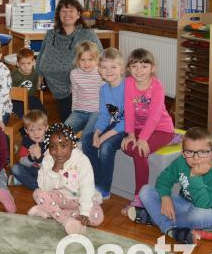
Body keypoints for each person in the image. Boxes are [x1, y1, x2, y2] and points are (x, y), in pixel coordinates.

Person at [131, 127, 212, 245]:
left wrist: (195, 177)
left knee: (197, 215)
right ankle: (171, 228)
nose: (196, 158)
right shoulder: (182, 162)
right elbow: (163, 179)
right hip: (184, 204)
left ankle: (157, 220)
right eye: (190, 152)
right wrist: (165, 198)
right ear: (183, 153)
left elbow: (203, 204)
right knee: (145, 191)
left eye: (203, 152)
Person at [120, 48, 176, 214]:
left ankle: (139, 199)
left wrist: (143, 139)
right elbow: (129, 110)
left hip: (161, 128)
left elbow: (154, 116)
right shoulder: (128, 83)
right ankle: (138, 140)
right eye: (135, 66)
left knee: (139, 151)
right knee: (127, 146)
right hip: (138, 128)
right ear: (129, 68)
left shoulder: (157, 87)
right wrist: (130, 134)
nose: (139, 71)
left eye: (144, 66)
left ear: (153, 68)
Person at [28, 123, 104, 235]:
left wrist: (84, 212)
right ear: (49, 146)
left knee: (98, 217)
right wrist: (54, 171)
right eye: (53, 147)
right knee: (38, 193)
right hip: (60, 197)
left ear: (73, 145)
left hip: (79, 199)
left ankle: (48, 211)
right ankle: (66, 221)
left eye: (63, 146)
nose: (58, 152)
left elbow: (87, 187)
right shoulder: (48, 158)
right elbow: (43, 187)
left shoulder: (82, 160)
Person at [36, 0, 103, 122]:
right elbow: (41, 56)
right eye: (63, 11)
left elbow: (101, 58)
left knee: (70, 128)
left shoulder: (87, 34)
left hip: (80, 91)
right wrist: (39, 75)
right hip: (56, 89)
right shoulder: (50, 34)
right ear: (58, 15)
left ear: (78, 14)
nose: (67, 14)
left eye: (71, 11)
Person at [81, 48, 126, 199]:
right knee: (87, 140)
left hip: (129, 127)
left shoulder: (127, 88)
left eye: (113, 67)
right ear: (99, 70)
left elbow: (127, 121)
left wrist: (104, 136)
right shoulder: (104, 89)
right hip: (114, 124)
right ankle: (96, 181)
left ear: (122, 68)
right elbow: (104, 115)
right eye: (104, 67)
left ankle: (104, 189)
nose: (109, 71)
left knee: (106, 146)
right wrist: (97, 132)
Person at [64, 41, 101, 140]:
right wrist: (73, 111)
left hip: (96, 111)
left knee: (86, 136)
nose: (86, 63)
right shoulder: (74, 74)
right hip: (79, 111)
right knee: (63, 133)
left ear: (97, 60)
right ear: (77, 60)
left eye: (90, 59)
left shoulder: (101, 72)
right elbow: (75, 93)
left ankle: (81, 142)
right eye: (83, 60)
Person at [9, 110, 48, 190]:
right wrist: (31, 157)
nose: (36, 133)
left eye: (39, 129)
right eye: (31, 130)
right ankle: (37, 186)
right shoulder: (26, 141)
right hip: (33, 170)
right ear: (26, 131)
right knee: (15, 168)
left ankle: (23, 182)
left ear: (46, 128)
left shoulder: (50, 143)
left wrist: (39, 158)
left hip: (46, 172)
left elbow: (49, 168)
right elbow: (22, 161)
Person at [10, 47, 44, 117]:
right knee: (23, 114)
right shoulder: (14, 75)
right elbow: (10, 91)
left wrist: (40, 83)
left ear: (34, 62)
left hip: (31, 97)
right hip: (17, 99)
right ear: (17, 64)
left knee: (41, 112)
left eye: (29, 63)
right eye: (22, 64)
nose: (26, 66)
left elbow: (38, 86)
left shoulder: (35, 73)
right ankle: (24, 124)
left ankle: (40, 124)